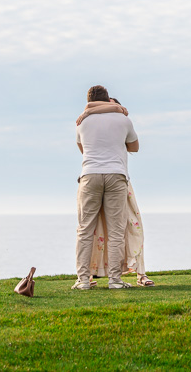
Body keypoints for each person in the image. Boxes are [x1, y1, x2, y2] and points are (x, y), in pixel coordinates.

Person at [77, 99, 155, 287]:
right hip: (116, 175)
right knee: (117, 231)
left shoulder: (83, 121)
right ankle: (115, 280)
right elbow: (135, 147)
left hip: (90, 175)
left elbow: (83, 150)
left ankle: (83, 280)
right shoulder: (122, 119)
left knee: (85, 230)